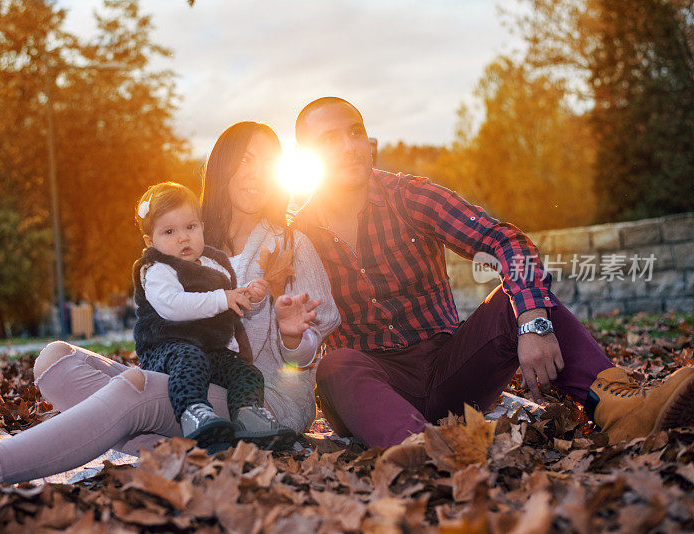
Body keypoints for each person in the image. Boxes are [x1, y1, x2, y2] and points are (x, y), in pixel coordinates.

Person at [0, 121, 340, 497]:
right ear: (221, 168)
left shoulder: (290, 244)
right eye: (245, 158)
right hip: (194, 380)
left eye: (267, 159)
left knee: (137, 386)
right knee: (55, 359)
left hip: (262, 399)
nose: (256, 170)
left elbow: (303, 359)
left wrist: (292, 338)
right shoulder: (189, 239)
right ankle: (182, 449)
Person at [293, 96, 694, 449]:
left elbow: (506, 242)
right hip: (373, 386)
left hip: (450, 367)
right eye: (329, 140)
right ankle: (422, 451)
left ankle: (621, 409)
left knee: (520, 298)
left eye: (354, 132)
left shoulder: (408, 197)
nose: (348, 147)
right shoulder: (295, 237)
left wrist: (533, 321)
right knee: (336, 365)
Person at [131, 180, 294, 449]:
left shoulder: (211, 261)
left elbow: (224, 300)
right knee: (189, 359)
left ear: (202, 227)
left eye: (190, 227)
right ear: (151, 241)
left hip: (209, 349)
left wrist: (245, 294)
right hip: (165, 349)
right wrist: (223, 298)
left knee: (246, 372)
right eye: (169, 231)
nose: (183, 237)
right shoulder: (157, 268)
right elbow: (173, 305)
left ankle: (248, 415)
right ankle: (194, 413)